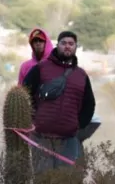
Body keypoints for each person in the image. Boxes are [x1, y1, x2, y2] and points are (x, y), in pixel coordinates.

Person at [21, 30, 96, 173]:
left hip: (68, 140)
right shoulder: (40, 68)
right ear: (57, 45)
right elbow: (23, 93)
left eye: (71, 44)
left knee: (65, 182)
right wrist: (33, 119)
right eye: (63, 43)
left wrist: (77, 125)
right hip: (41, 137)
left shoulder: (81, 75)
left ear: (75, 47)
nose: (67, 46)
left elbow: (89, 104)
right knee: (42, 181)